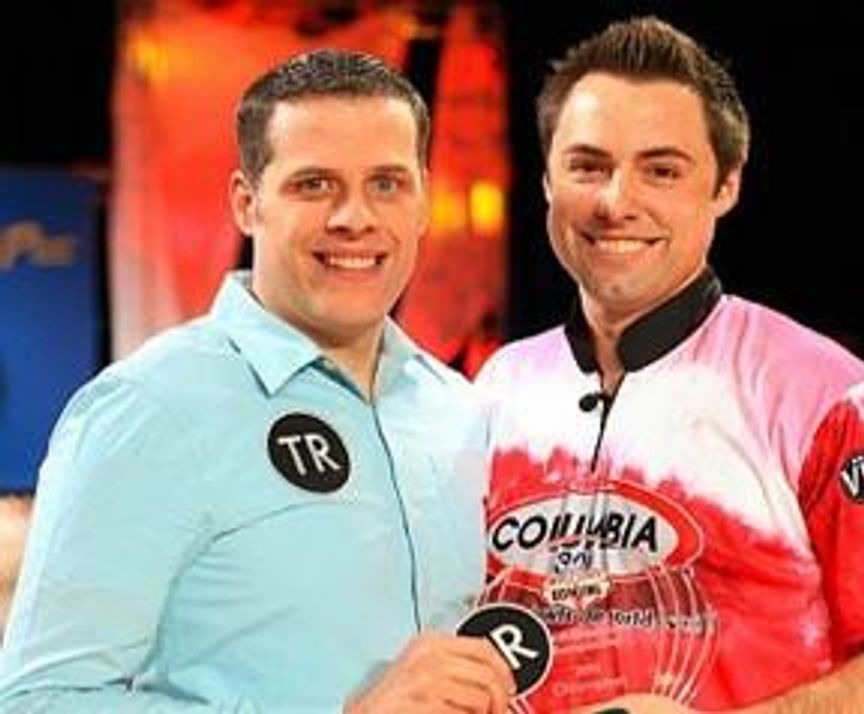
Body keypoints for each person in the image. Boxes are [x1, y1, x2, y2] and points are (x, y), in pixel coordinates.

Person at [477, 17, 864, 712]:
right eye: (588, 166)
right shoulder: (497, 389)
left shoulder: (827, 396)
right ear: (547, 180)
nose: (615, 202)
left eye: (661, 171)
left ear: (726, 185)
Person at [0, 49, 513, 713]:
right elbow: (40, 700)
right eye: (314, 185)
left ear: (421, 202)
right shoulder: (149, 408)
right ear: (247, 203)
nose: (354, 217)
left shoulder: (461, 412)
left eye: (387, 184)